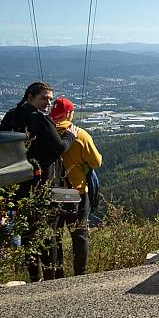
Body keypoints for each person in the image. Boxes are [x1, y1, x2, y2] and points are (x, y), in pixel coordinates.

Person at [0, 81, 78, 281]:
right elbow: (59, 147)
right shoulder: (39, 119)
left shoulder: (11, 116)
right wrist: (70, 136)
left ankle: (35, 276)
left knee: (28, 232)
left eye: (50, 99)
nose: (48, 103)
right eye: (44, 98)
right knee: (48, 232)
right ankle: (50, 276)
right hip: (43, 185)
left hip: (19, 183)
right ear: (30, 96)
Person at [48, 96, 102, 278]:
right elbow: (96, 162)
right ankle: (80, 275)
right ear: (69, 113)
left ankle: (56, 275)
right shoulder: (80, 135)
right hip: (75, 192)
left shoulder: (45, 133)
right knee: (79, 235)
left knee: (54, 236)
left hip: (53, 192)